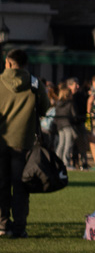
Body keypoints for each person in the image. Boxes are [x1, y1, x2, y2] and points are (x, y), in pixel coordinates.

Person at [0, 49, 51, 238]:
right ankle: (20, 226)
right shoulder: (35, 83)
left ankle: (2, 224)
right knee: (21, 186)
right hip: (24, 141)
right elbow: (45, 109)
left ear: (9, 62)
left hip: (1, 140)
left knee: (2, 184)